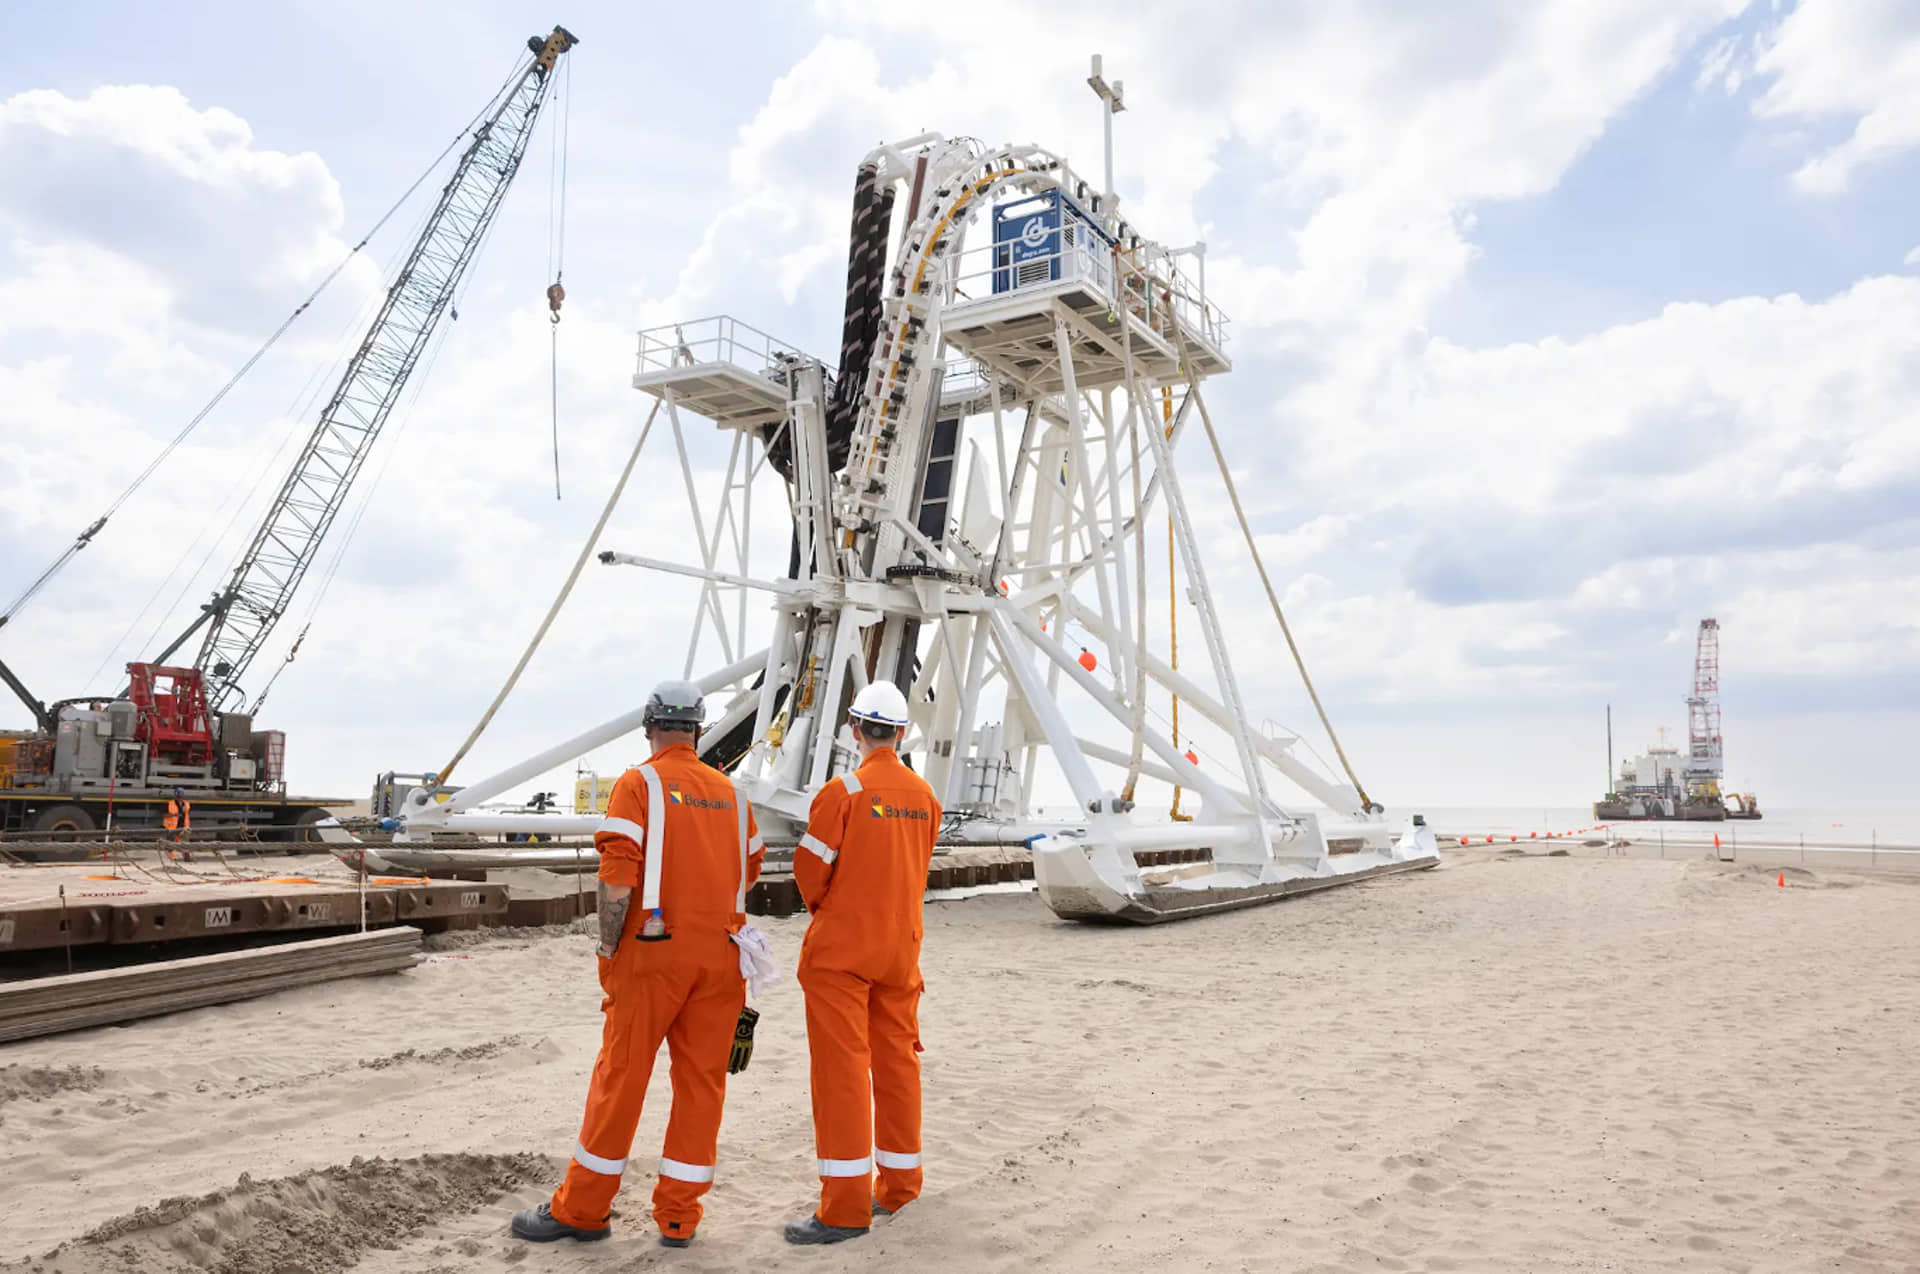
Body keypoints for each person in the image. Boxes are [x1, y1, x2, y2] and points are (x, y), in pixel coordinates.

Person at [511, 679, 765, 1249]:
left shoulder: (638, 784)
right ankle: (679, 1217)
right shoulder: (734, 795)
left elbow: (618, 878)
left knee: (621, 1079)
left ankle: (583, 1210)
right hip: (723, 959)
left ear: (650, 727)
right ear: (697, 730)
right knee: (702, 1086)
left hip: (653, 955)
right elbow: (748, 871)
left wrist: (608, 947)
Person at [784, 681, 941, 1245]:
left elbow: (809, 871)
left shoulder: (843, 792)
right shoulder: (925, 797)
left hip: (844, 952)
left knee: (843, 1072)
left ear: (854, 729)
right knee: (897, 1065)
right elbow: (916, 865)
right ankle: (899, 1188)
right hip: (902, 951)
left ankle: (844, 1210)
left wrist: (832, 913)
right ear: (901, 733)